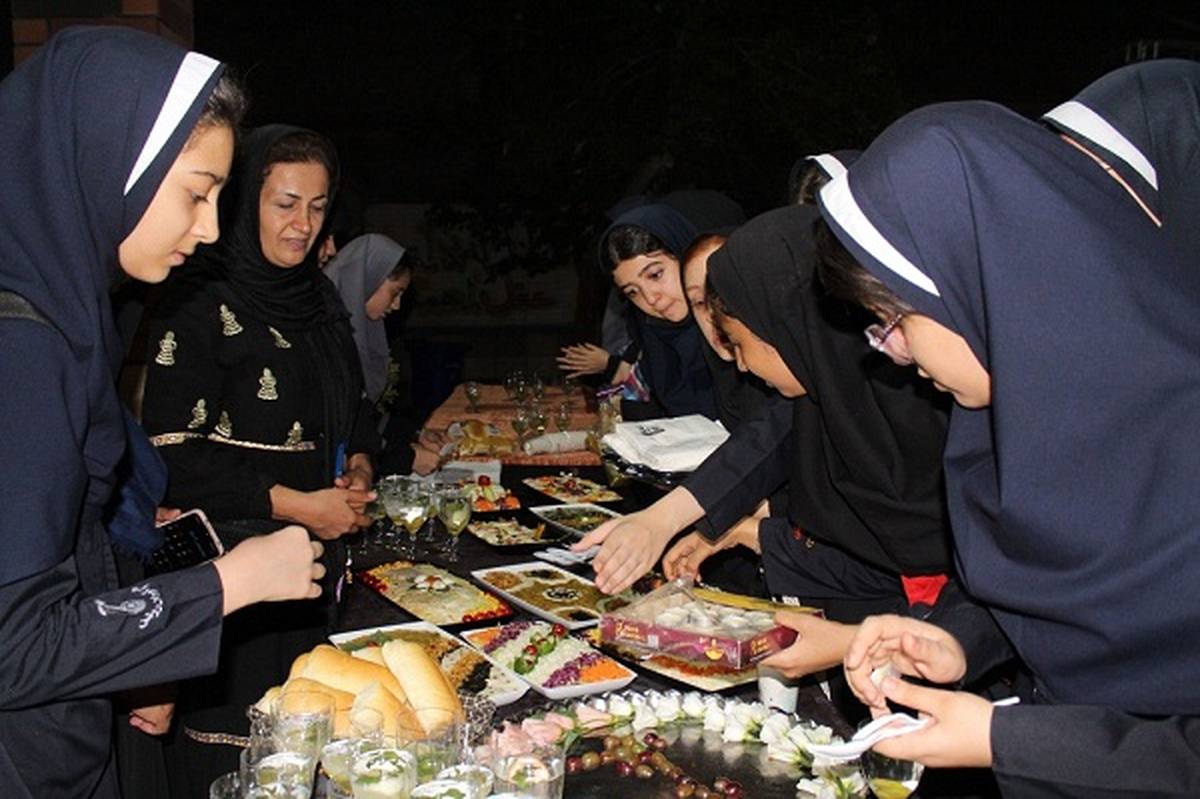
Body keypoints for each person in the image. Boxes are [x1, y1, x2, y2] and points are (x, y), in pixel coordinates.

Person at [815, 62, 1200, 795]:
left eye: (892, 320)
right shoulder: (1003, 426)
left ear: (978, 280)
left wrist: (1011, 740)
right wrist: (956, 636)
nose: (892, 354)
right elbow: (1035, 591)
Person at [0, 26, 325, 798]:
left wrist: (135, 653)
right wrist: (228, 582)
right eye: (196, 192)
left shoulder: (69, 313)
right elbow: (13, 645)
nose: (209, 227)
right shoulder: (24, 349)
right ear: (110, 165)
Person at [577, 200, 957, 684]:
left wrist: (721, 529)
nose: (736, 361)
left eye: (737, 340)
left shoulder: (902, 402)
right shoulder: (826, 391)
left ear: (784, 322)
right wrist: (695, 525)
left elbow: (915, 578)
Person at [140, 125, 378, 794]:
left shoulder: (317, 299)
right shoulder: (198, 301)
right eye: (286, 203)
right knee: (234, 764)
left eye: (318, 206)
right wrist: (299, 506)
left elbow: (356, 405)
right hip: (232, 582)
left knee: (308, 751)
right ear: (248, 202)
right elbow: (170, 454)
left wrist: (360, 465)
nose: (303, 224)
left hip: (313, 574)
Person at [325, 233, 444, 475]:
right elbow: (338, 428)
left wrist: (414, 434)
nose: (397, 305)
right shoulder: (327, 333)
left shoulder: (356, 331)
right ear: (369, 280)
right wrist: (405, 458)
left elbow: (364, 413)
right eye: (395, 292)